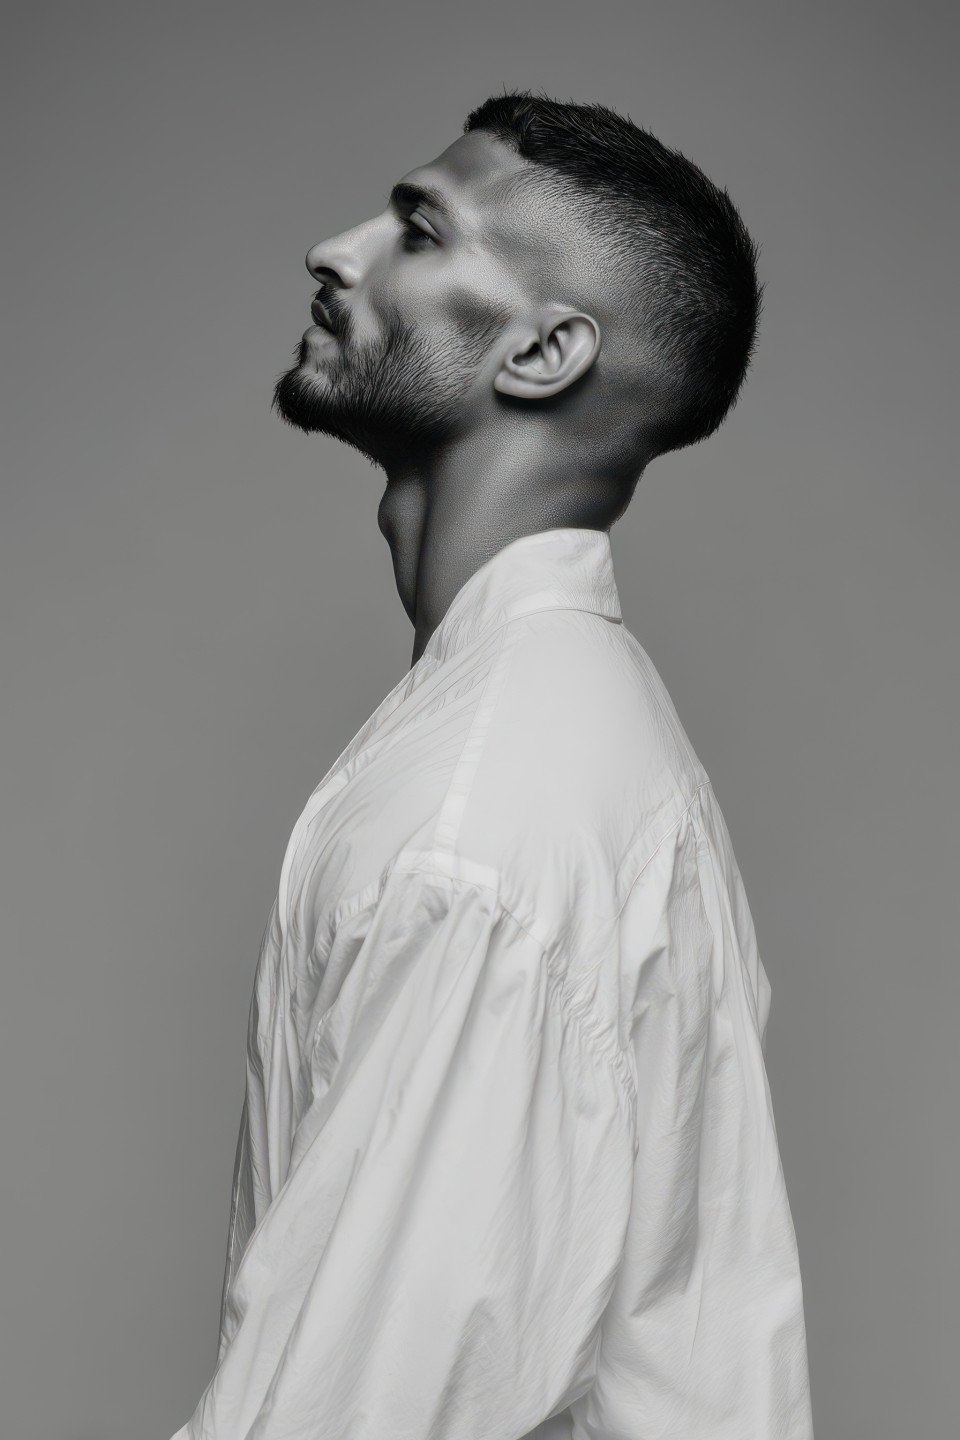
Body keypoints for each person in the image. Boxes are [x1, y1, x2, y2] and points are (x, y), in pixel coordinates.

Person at [169, 91, 814, 1439]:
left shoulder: (479, 825)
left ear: (543, 352)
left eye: (418, 230)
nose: (335, 251)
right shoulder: (559, 732)